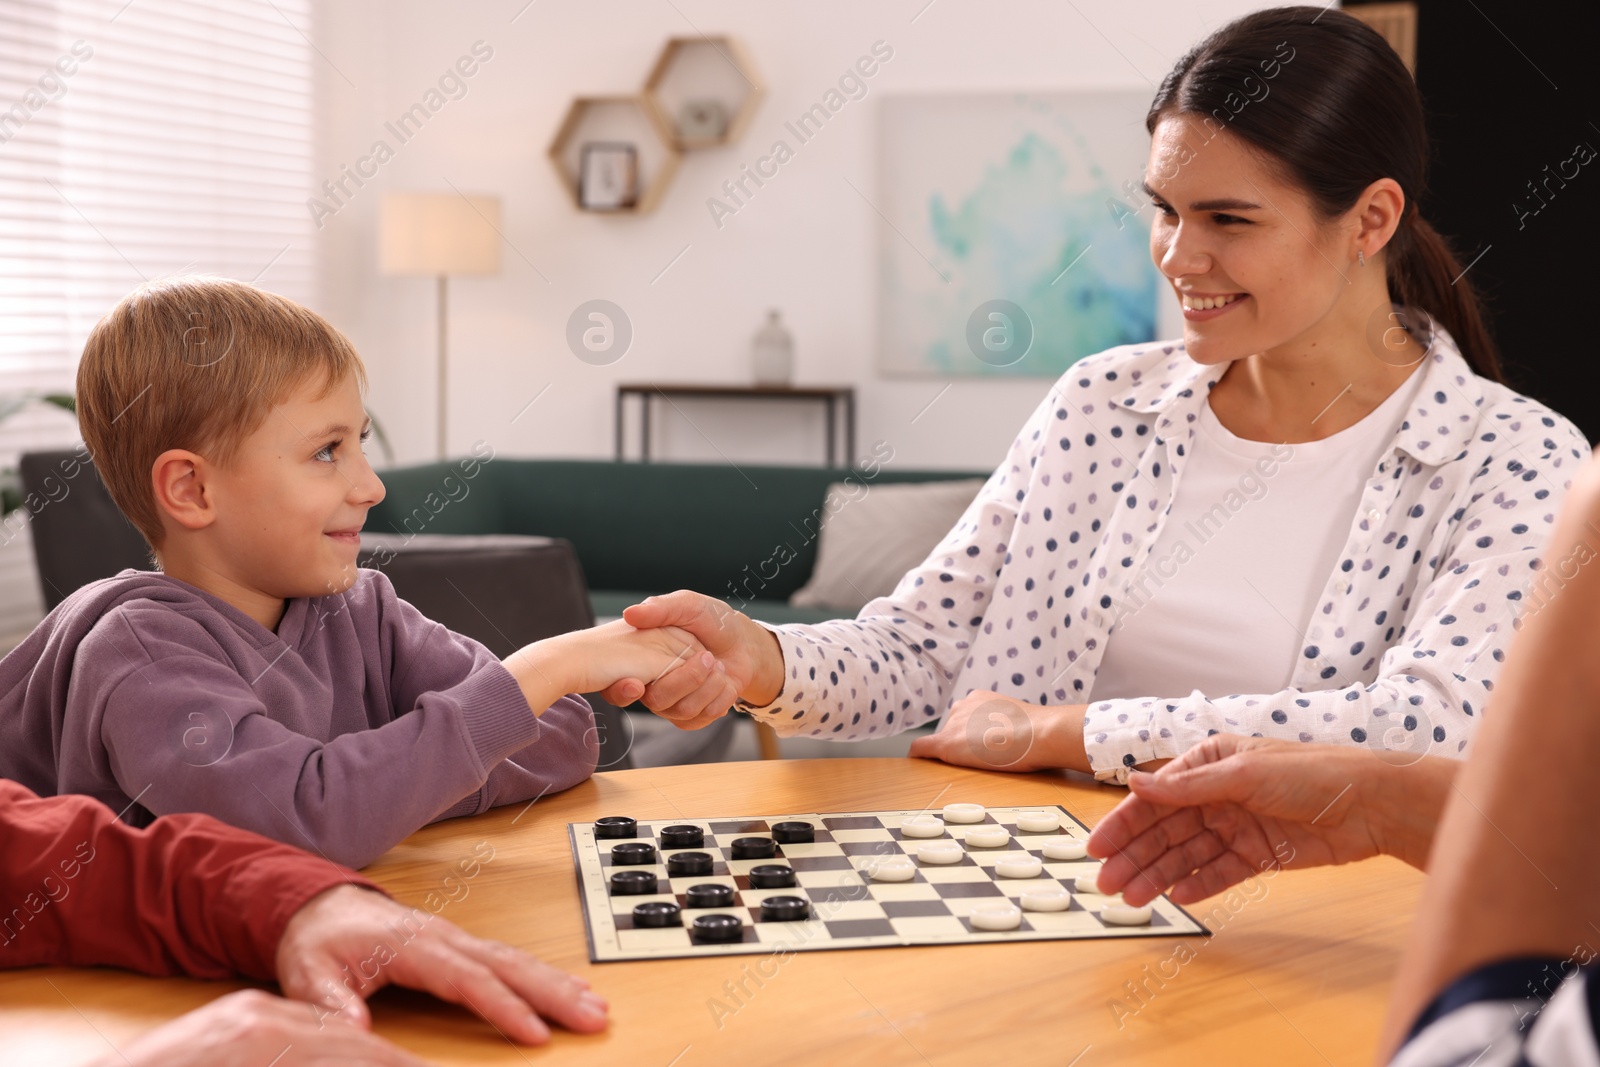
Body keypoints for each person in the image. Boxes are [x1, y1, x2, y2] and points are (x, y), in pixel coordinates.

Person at [604, 6, 1590, 783]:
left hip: (1309, 930)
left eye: (1227, 218)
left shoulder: (1518, 462)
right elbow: (923, 644)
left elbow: (1426, 728)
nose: (1176, 254)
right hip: (1026, 887)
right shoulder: (1101, 402)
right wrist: (762, 659)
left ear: (1369, 217)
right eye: (1163, 208)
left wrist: (1059, 732)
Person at [0, 276, 720, 867]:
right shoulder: (142, 658)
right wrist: (537, 673)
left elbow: (565, 734)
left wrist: (389, 784)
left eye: (362, 443)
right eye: (327, 451)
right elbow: (305, 827)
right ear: (192, 490)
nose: (371, 486)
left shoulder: (359, 608)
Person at [1087, 445, 1600, 1065]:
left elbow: (1467, 1051)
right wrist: (1383, 800)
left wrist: (1077, 730)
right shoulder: (1102, 397)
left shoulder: (1532, 460)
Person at [1, 778, 607, 1066]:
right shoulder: (137, 641)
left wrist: (302, 902)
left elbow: (65, 860)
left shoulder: (368, 603)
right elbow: (316, 814)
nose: (369, 515)